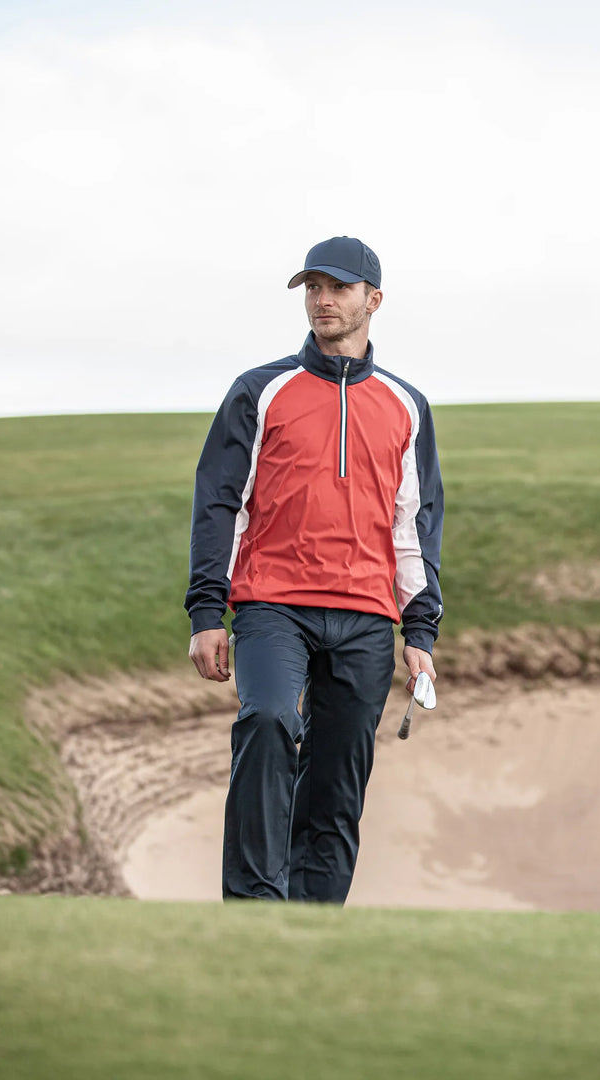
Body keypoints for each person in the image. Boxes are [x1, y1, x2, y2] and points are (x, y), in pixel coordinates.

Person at [185, 236, 444, 903]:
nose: (323, 301)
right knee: (268, 720)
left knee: (336, 782)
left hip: (365, 617)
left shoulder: (408, 405)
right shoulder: (260, 391)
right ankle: (254, 910)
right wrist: (206, 612)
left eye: (338, 288)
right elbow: (219, 503)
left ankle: (312, 929)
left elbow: (414, 524)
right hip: (274, 604)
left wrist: (420, 632)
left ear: (373, 299)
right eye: (313, 288)